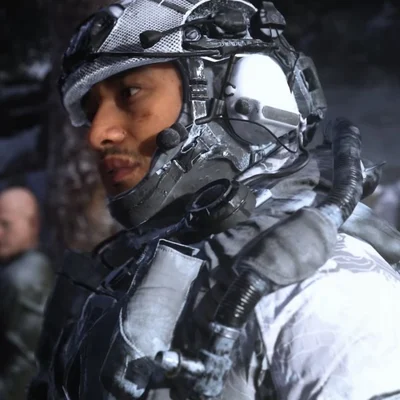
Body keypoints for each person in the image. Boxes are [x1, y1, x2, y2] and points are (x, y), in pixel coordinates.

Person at [30, 1, 400, 399]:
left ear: (242, 92)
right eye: (92, 112)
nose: (97, 133)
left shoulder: (323, 286)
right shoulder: (149, 263)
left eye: (130, 93)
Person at [0, 187, 53, 400]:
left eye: (6, 224)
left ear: (33, 224)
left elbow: (26, 361)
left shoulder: (24, 276)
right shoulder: (20, 268)